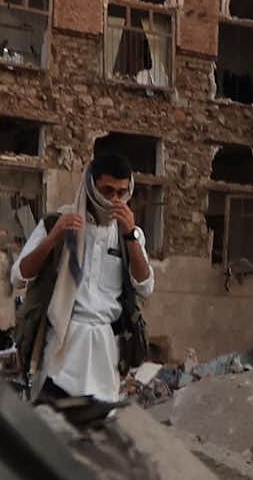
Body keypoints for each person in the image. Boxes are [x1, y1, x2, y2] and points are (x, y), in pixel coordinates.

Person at [10, 153, 154, 400]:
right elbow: (19, 277)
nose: (114, 200)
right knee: (53, 422)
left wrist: (130, 236)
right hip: (61, 345)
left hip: (106, 348)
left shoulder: (129, 234)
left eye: (121, 192)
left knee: (98, 425)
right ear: (91, 185)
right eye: (107, 191)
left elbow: (145, 287)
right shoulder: (58, 222)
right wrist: (54, 238)